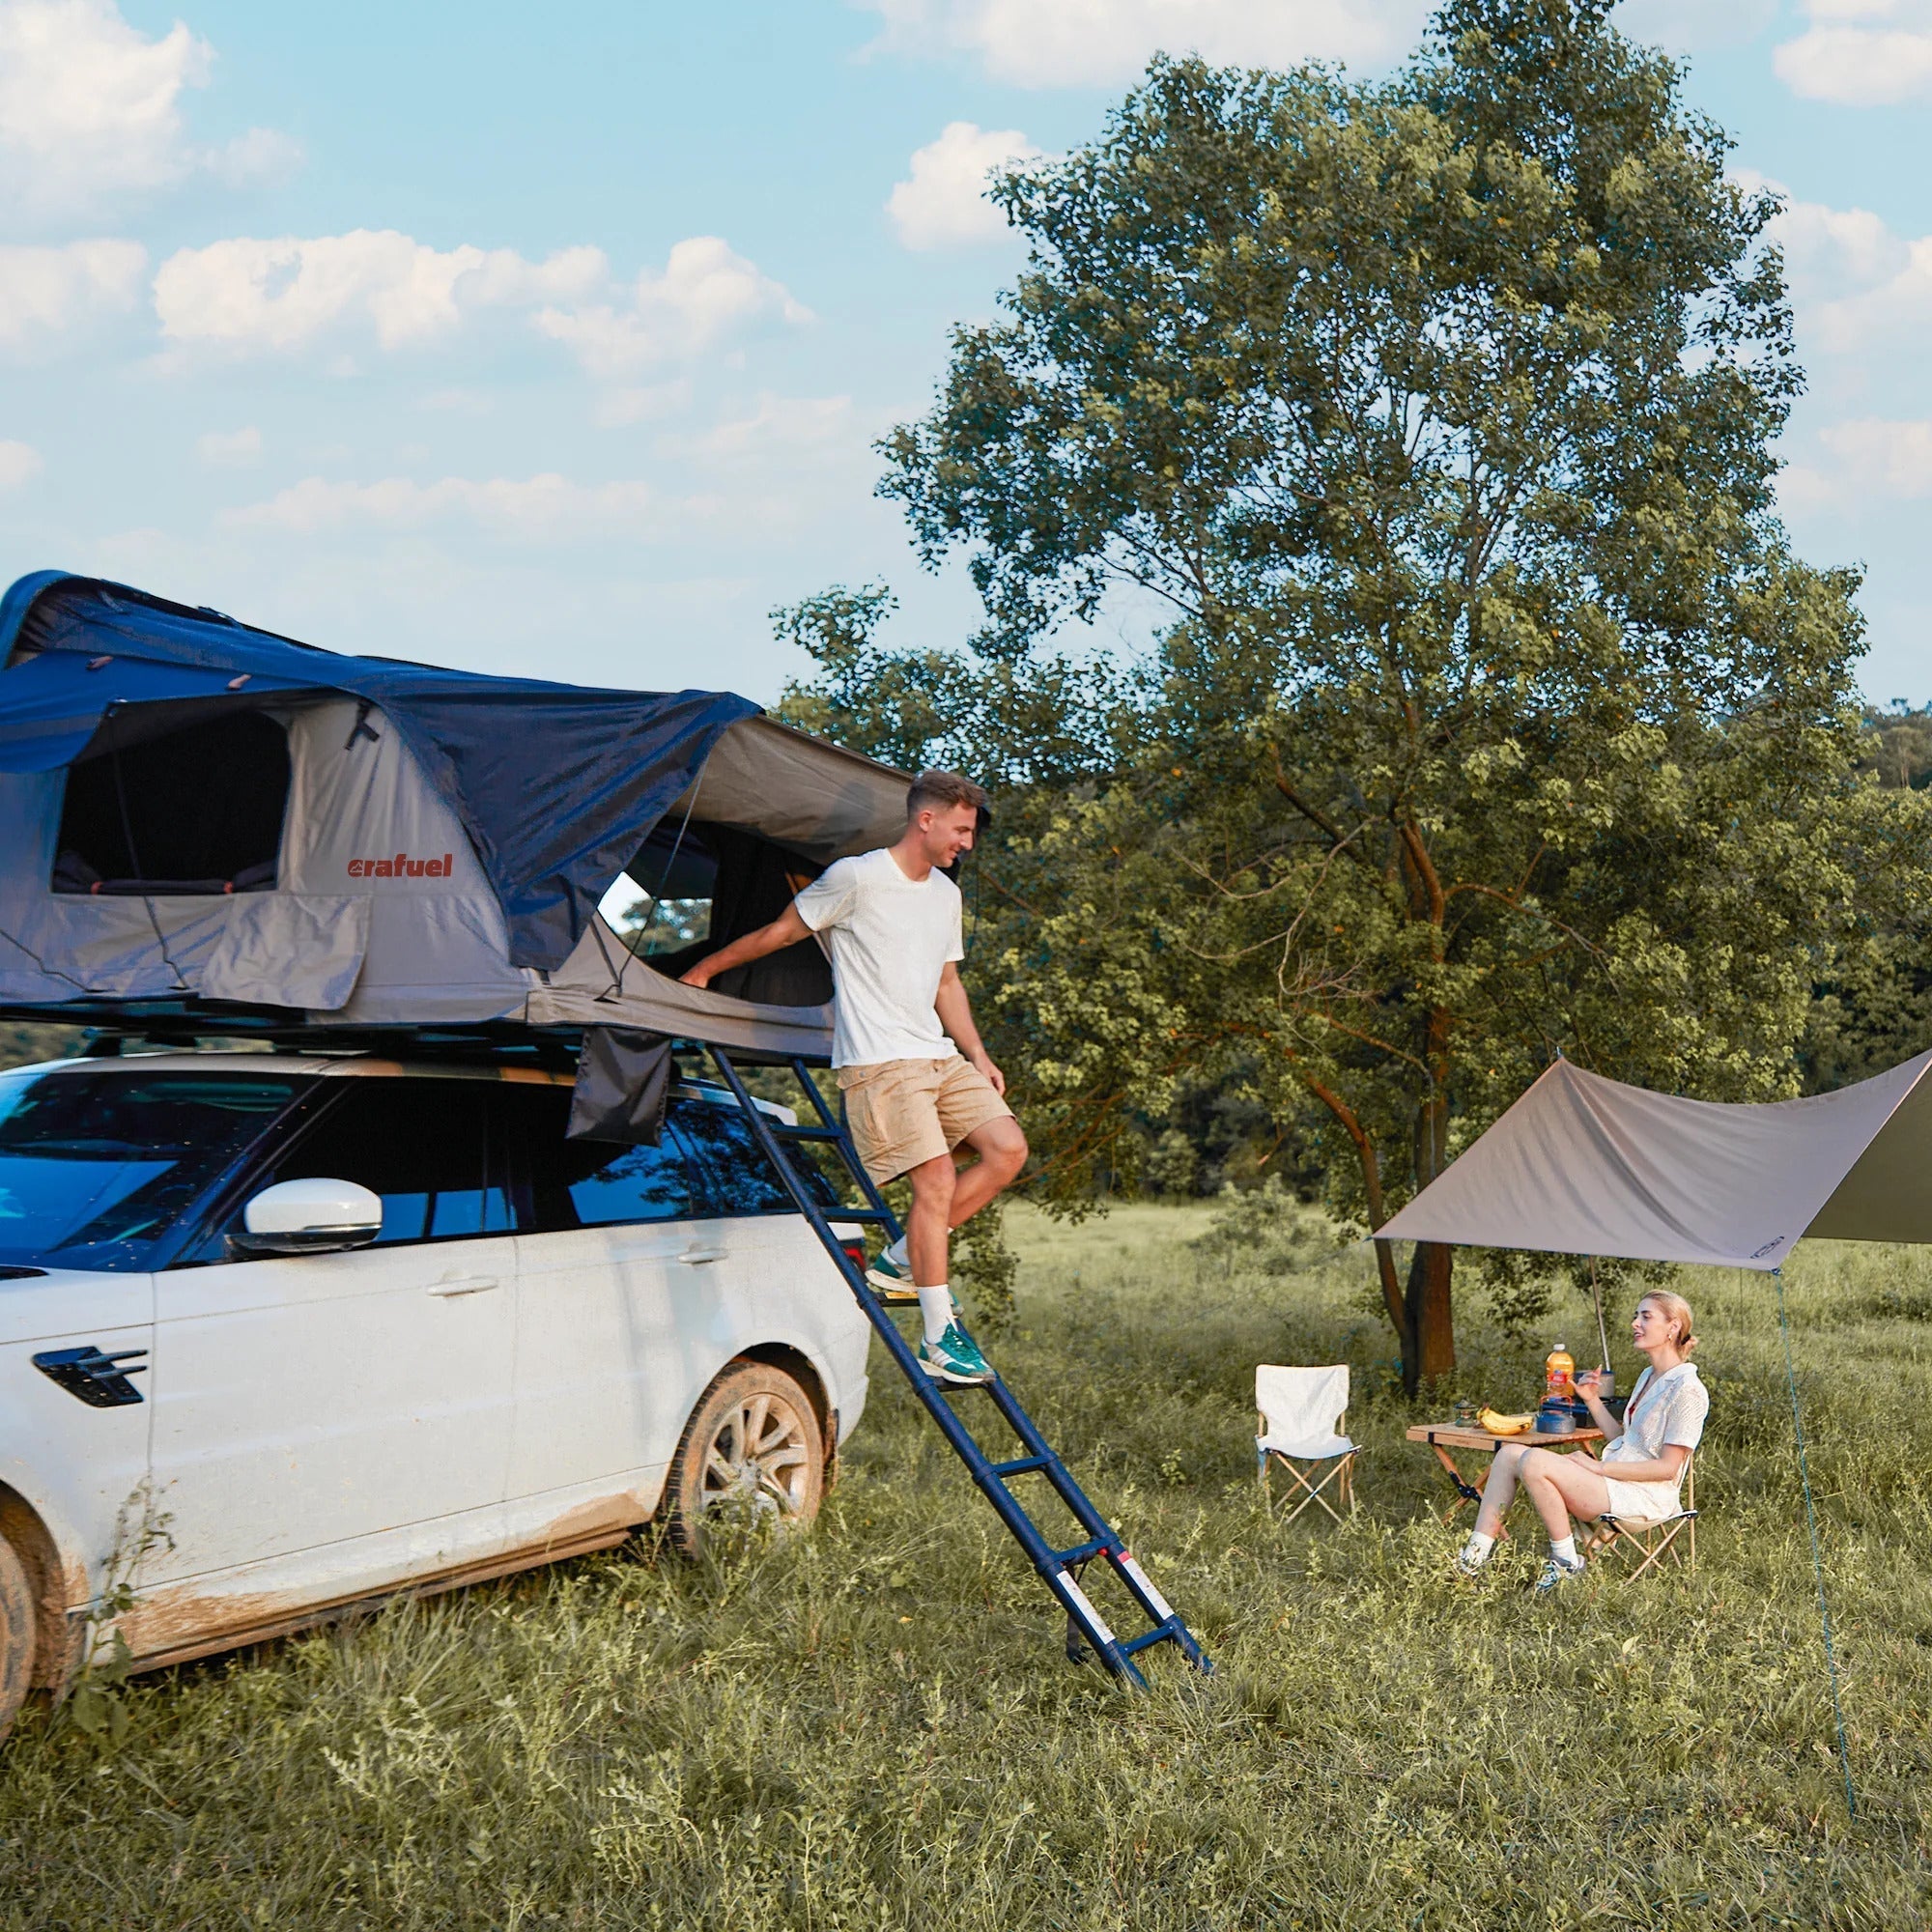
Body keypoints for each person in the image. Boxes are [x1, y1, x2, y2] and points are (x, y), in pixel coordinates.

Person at [679, 769, 1027, 1385]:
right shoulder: (856, 878)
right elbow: (782, 932)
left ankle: (899, 1260)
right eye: (962, 830)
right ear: (927, 820)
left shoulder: (945, 894)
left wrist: (978, 1053)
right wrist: (706, 968)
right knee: (938, 1180)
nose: (966, 843)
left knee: (1007, 1149)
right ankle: (939, 1337)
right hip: (880, 1062)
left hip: (936, 1054)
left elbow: (947, 983)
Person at [1454, 1290, 1708, 1594]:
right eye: (1636, 1315)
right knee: (1509, 1454)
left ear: (1673, 1326)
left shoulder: (1687, 1389)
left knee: (1534, 1461)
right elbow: (1627, 1442)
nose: (1635, 1323)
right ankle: (1472, 1560)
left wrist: (1598, 1469)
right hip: (1614, 1482)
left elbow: (1667, 1469)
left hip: (1644, 1498)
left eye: (1646, 1316)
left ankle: (1566, 1563)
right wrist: (1592, 1401)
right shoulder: (1648, 1376)